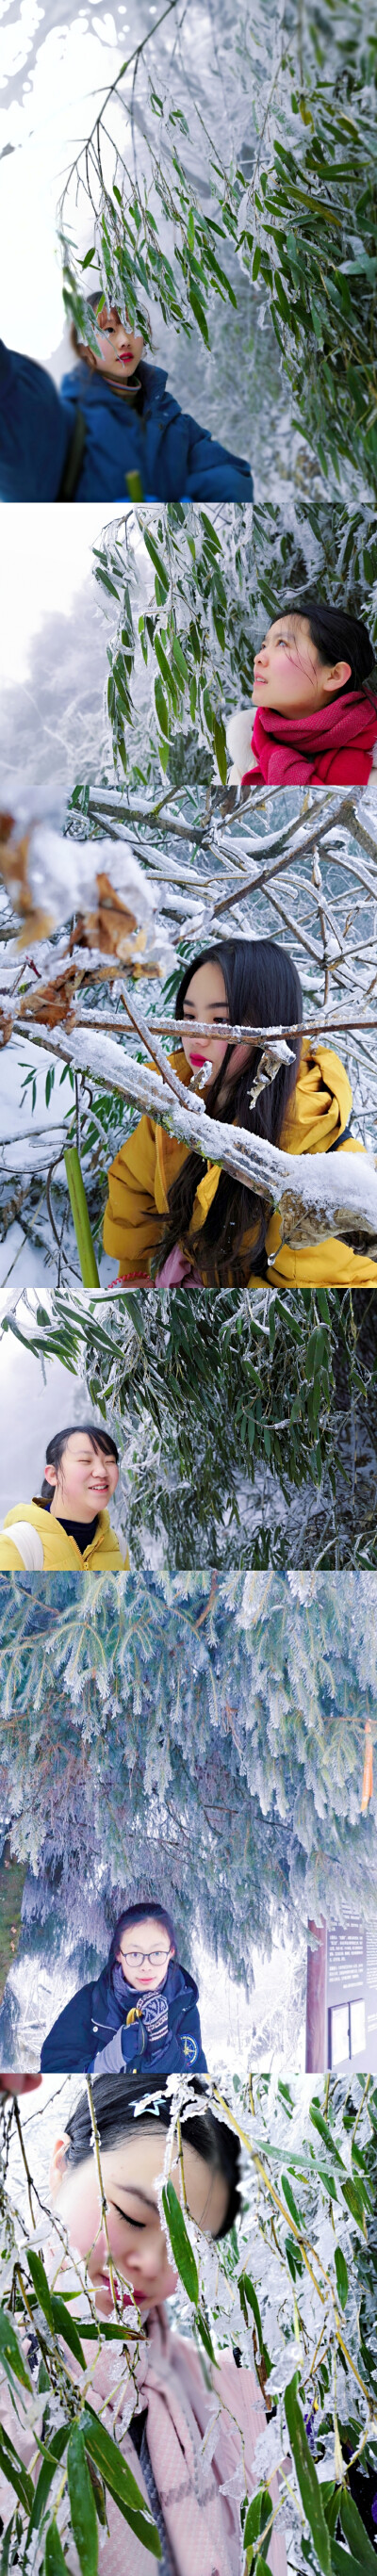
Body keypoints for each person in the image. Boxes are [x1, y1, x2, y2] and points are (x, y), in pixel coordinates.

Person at [0, 2071, 287, 2576]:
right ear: (62, 2164)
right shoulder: (12, 2378)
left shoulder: (212, 2393)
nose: (154, 2266)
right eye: (132, 2216)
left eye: (185, 2247)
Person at [103, 937, 377, 1288]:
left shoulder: (320, 1163)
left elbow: (318, 1303)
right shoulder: (175, 1097)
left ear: (273, 1031)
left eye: (221, 1020)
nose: (196, 1037)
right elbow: (133, 1179)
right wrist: (133, 1269)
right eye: (189, 1017)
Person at [0, 292, 254, 502]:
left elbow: (233, 478)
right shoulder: (64, 423)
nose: (124, 340)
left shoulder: (178, 426)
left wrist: (184, 512)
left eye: (132, 327)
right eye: (108, 329)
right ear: (82, 347)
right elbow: (12, 399)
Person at [41, 1904, 206, 2075]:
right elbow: (52, 2078)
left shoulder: (183, 2004)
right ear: (119, 1954)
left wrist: (163, 2052)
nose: (146, 1966)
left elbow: (197, 2091)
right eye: (135, 1954)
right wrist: (108, 2061)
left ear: (171, 1951)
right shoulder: (91, 2000)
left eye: (156, 1953)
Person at [226, 598, 377, 786]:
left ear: (334, 676)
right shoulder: (249, 761)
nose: (259, 657)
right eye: (264, 646)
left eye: (282, 644)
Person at [0, 1422, 129, 1571]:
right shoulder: (16, 1545)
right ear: (53, 1475)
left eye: (110, 1462)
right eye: (85, 1461)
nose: (102, 1471)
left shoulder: (118, 1547)